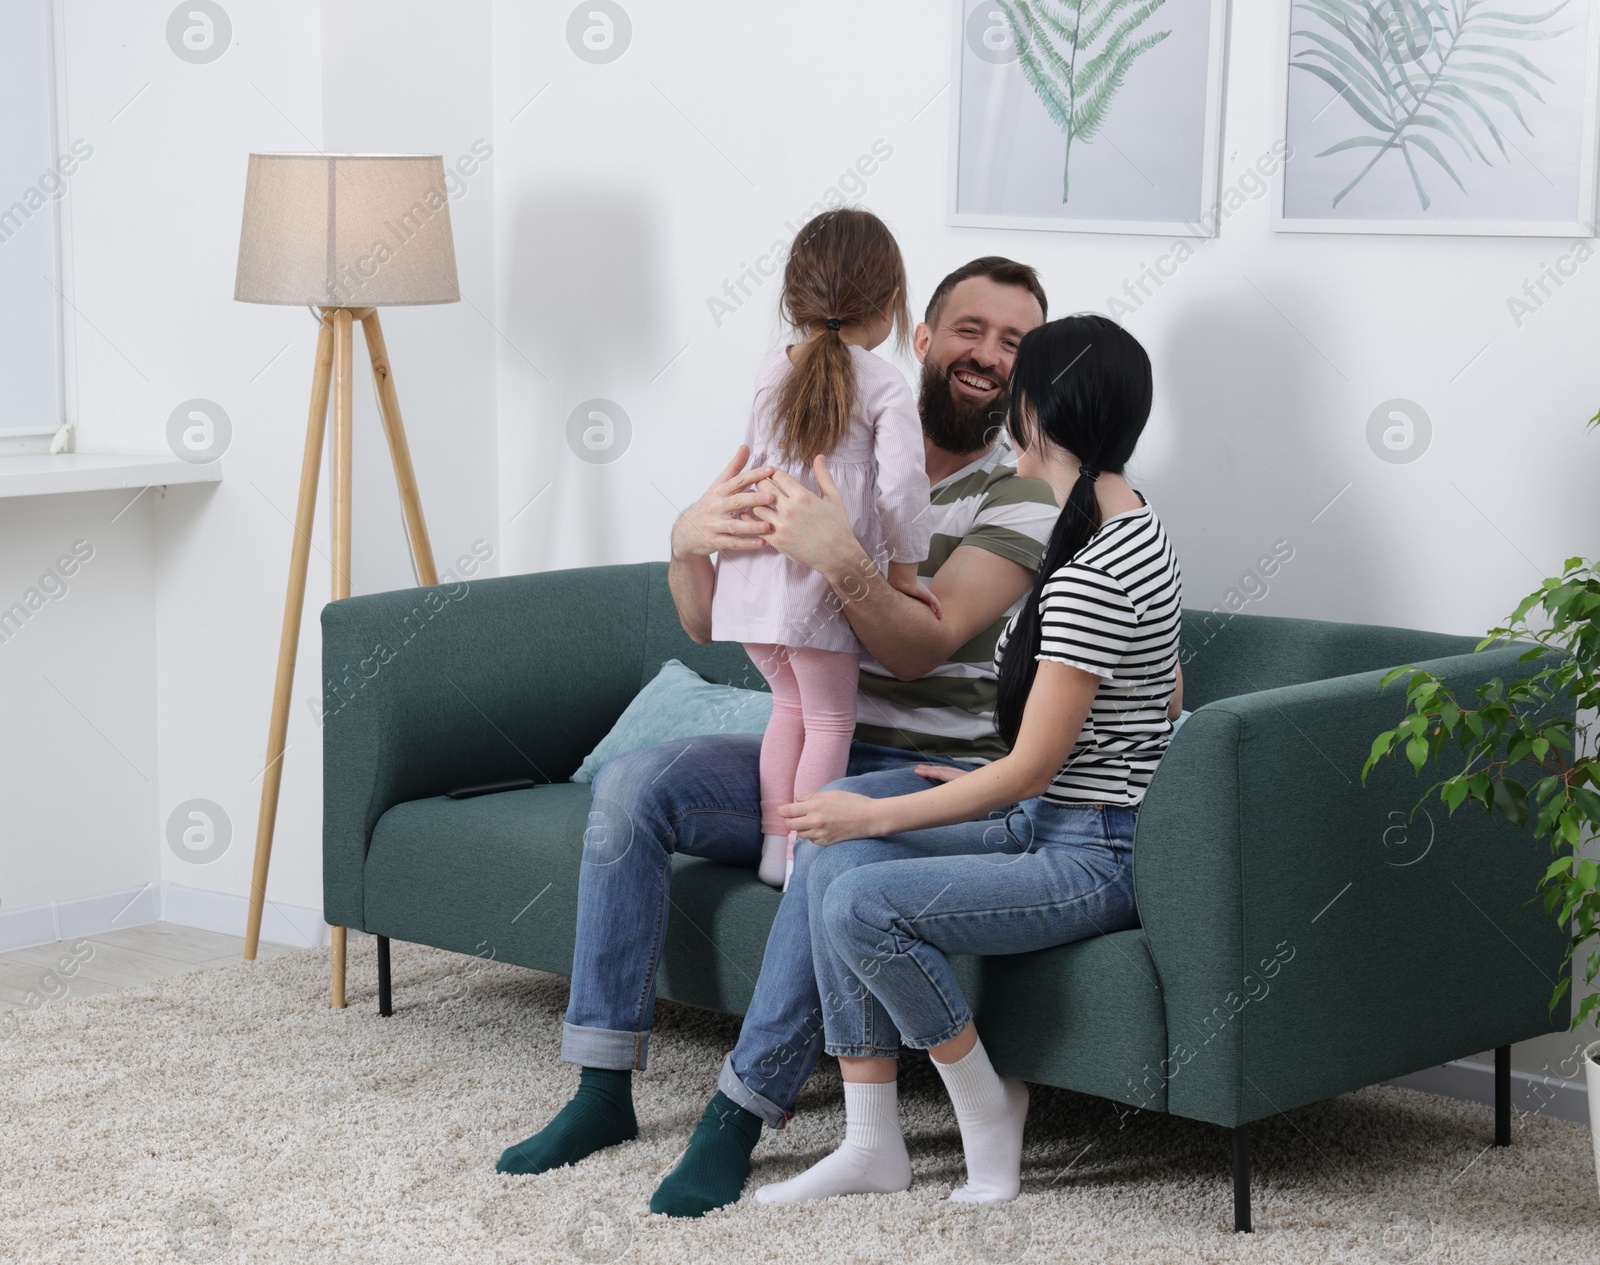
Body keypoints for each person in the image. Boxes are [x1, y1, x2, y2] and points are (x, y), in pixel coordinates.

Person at [494, 257, 1057, 1218]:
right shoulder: (817, 433)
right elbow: (707, 620)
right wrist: (686, 541)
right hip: (805, 742)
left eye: (1015, 343)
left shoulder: (1022, 501)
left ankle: (738, 1116)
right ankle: (599, 1089)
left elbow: (920, 648)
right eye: (972, 330)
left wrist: (842, 560)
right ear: (917, 338)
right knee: (634, 783)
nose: (989, 357)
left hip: (927, 775)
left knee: (826, 839)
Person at [754, 314, 1184, 1206]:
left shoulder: (1094, 573)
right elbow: (1165, 698)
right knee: (831, 861)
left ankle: (987, 1106)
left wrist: (876, 813)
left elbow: (1029, 769)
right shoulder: (1125, 530)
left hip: (1091, 853)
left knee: (864, 898)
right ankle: (873, 1141)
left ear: (1043, 414)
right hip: (1052, 817)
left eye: (1019, 390)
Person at [710, 209, 938, 891]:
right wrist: (903, 574)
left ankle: (775, 847)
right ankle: (809, 856)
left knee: (790, 708)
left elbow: (752, 463)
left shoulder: (767, 369)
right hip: (815, 584)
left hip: (750, 577)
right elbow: (902, 489)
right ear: (892, 304)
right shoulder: (885, 383)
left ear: (794, 299)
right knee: (832, 716)